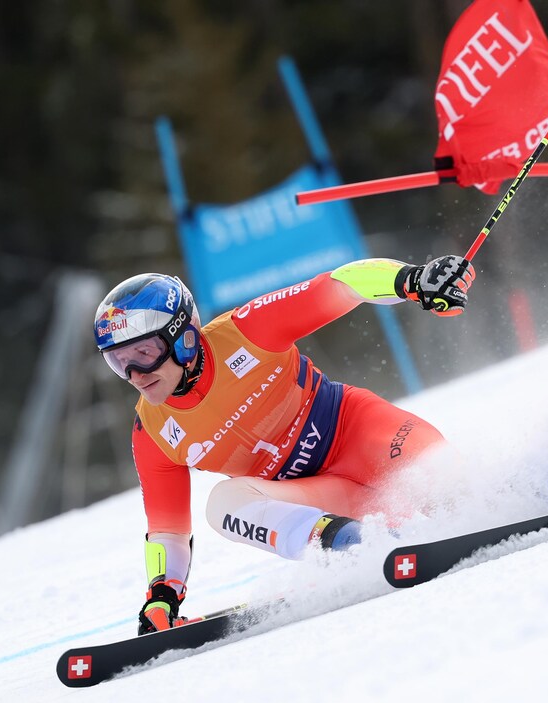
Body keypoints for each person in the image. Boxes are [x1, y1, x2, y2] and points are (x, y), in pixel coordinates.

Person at [93, 255, 474, 635]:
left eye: (144, 354)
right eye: (119, 362)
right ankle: (351, 544)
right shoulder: (153, 432)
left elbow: (342, 284)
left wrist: (413, 279)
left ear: (184, 337)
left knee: (444, 482)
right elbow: (168, 531)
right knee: (223, 504)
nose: (135, 375)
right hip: (323, 498)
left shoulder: (246, 330)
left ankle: (488, 497)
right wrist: (163, 594)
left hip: (355, 432)